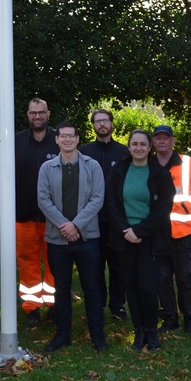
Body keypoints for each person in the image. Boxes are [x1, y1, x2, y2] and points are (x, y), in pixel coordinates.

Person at [37, 120, 106, 353]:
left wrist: (75, 225)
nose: (67, 140)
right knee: (62, 289)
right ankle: (63, 334)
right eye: (62, 136)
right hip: (58, 240)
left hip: (87, 239)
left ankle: (97, 335)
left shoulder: (92, 166)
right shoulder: (47, 168)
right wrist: (63, 225)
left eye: (71, 136)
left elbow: (97, 198)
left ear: (77, 139)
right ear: (56, 140)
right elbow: (43, 200)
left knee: (92, 288)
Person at [105, 129, 175, 351]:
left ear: (149, 147)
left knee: (147, 286)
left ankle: (152, 332)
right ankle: (139, 332)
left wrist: (140, 231)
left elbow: (164, 209)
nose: (138, 148)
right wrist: (126, 230)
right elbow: (111, 204)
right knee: (131, 287)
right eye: (134, 144)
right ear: (129, 147)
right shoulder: (118, 171)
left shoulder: (159, 174)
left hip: (150, 239)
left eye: (143, 144)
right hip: (124, 237)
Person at [152, 124, 191, 334]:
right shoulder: (148, 164)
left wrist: (186, 208)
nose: (161, 141)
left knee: (186, 278)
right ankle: (169, 318)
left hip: (182, 231)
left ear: (172, 140)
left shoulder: (187, 163)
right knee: (161, 278)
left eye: (165, 138)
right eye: (157, 138)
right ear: (153, 142)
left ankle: (190, 319)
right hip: (157, 234)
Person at [80, 108, 129, 320]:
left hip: (117, 219)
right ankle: (97, 304)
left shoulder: (124, 152)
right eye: (97, 121)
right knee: (95, 265)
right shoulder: (84, 152)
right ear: (93, 125)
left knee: (118, 266)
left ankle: (117, 305)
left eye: (105, 121)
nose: (102, 124)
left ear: (111, 123)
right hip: (92, 220)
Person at [15, 97, 59, 329]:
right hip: (23, 214)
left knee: (54, 262)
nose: (38, 116)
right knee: (27, 262)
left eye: (41, 112)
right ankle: (32, 307)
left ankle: (54, 306)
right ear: (28, 115)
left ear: (48, 114)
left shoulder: (59, 140)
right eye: (33, 113)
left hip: (54, 217)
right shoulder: (16, 141)